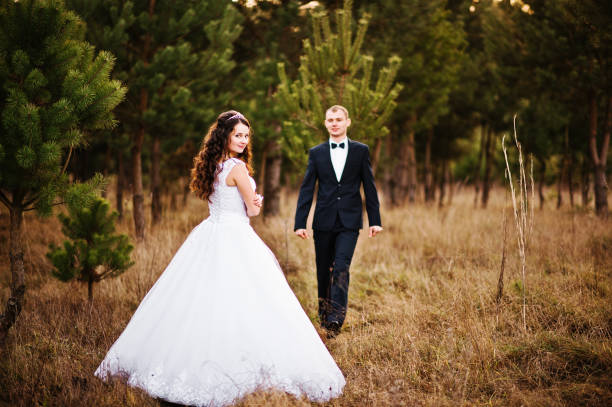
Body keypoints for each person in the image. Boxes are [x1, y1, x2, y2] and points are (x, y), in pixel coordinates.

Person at [95, 111, 345, 406]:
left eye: (246, 136)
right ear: (225, 136)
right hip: (234, 235)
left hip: (210, 233)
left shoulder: (213, 164)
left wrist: (249, 199)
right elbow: (251, 211)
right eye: (237, 135)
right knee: (247, 299)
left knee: (200, 300)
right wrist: (257, 200)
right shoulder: (237, 168)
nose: (243, 140)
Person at [294, 105, 383, 337]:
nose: (334, 123)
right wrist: (300, 223)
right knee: (324, 270)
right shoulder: (316, 153)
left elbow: (369, 187)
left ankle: (335, 319)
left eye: (338, 119)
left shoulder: (360, 151)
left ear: (347, 122)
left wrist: (375, 220)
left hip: (350, 221)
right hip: (323, 220)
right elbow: (306, 189)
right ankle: (324, 315)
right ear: (325, 123)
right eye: (330, 120)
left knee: (341, 267)